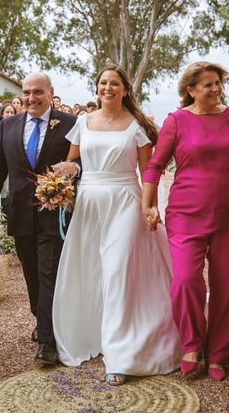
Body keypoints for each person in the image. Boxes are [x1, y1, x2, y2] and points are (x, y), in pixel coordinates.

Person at [141, 62, 229, 381]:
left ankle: (220, 353)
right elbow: (155, 166)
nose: (216, 89)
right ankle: (192, 343)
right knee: (186, 281)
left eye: (218, 83)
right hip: (186, 214)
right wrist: (146, 204)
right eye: (207, 85)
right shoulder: (176, 121)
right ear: (190, 90)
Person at [51, 65, 180, 386]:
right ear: (97, 88)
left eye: (114, 84)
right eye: (103, 83)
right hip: (89, 204)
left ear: (125, 90)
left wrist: (150, 206)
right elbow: (74, 163)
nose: (108, 88)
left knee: (117, 270)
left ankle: (120, 355)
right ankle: (93, 332)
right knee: (93, 270)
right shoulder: (83, 123)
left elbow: (148, 173)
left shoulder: (136, 127)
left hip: (125, 202)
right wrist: (61, 179)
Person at [0, 72, 77, 365]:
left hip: (55, 212)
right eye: (27, 92)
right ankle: (42, 317)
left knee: (48, 270)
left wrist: (73, 170)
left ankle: (48, 341)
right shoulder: (8, 124)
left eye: (38, 92)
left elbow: (82, 161)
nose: (31, 98)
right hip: (20, 210)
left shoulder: (71, 123)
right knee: (31, 273)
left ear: (50, 92)